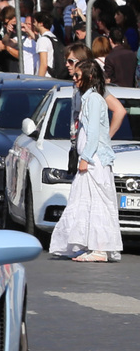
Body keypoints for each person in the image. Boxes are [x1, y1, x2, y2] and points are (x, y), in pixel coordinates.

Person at [49, 59, 124, 261]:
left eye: (77, 76)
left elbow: (93, 132)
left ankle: (99, 249)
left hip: (94, 161)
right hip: (92, 159)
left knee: (96, 202)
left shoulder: (93, 99)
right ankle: (90, 245)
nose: (73, 78)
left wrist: (86, 158)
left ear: (89, 78)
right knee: (84, 202)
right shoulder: (90, 97)